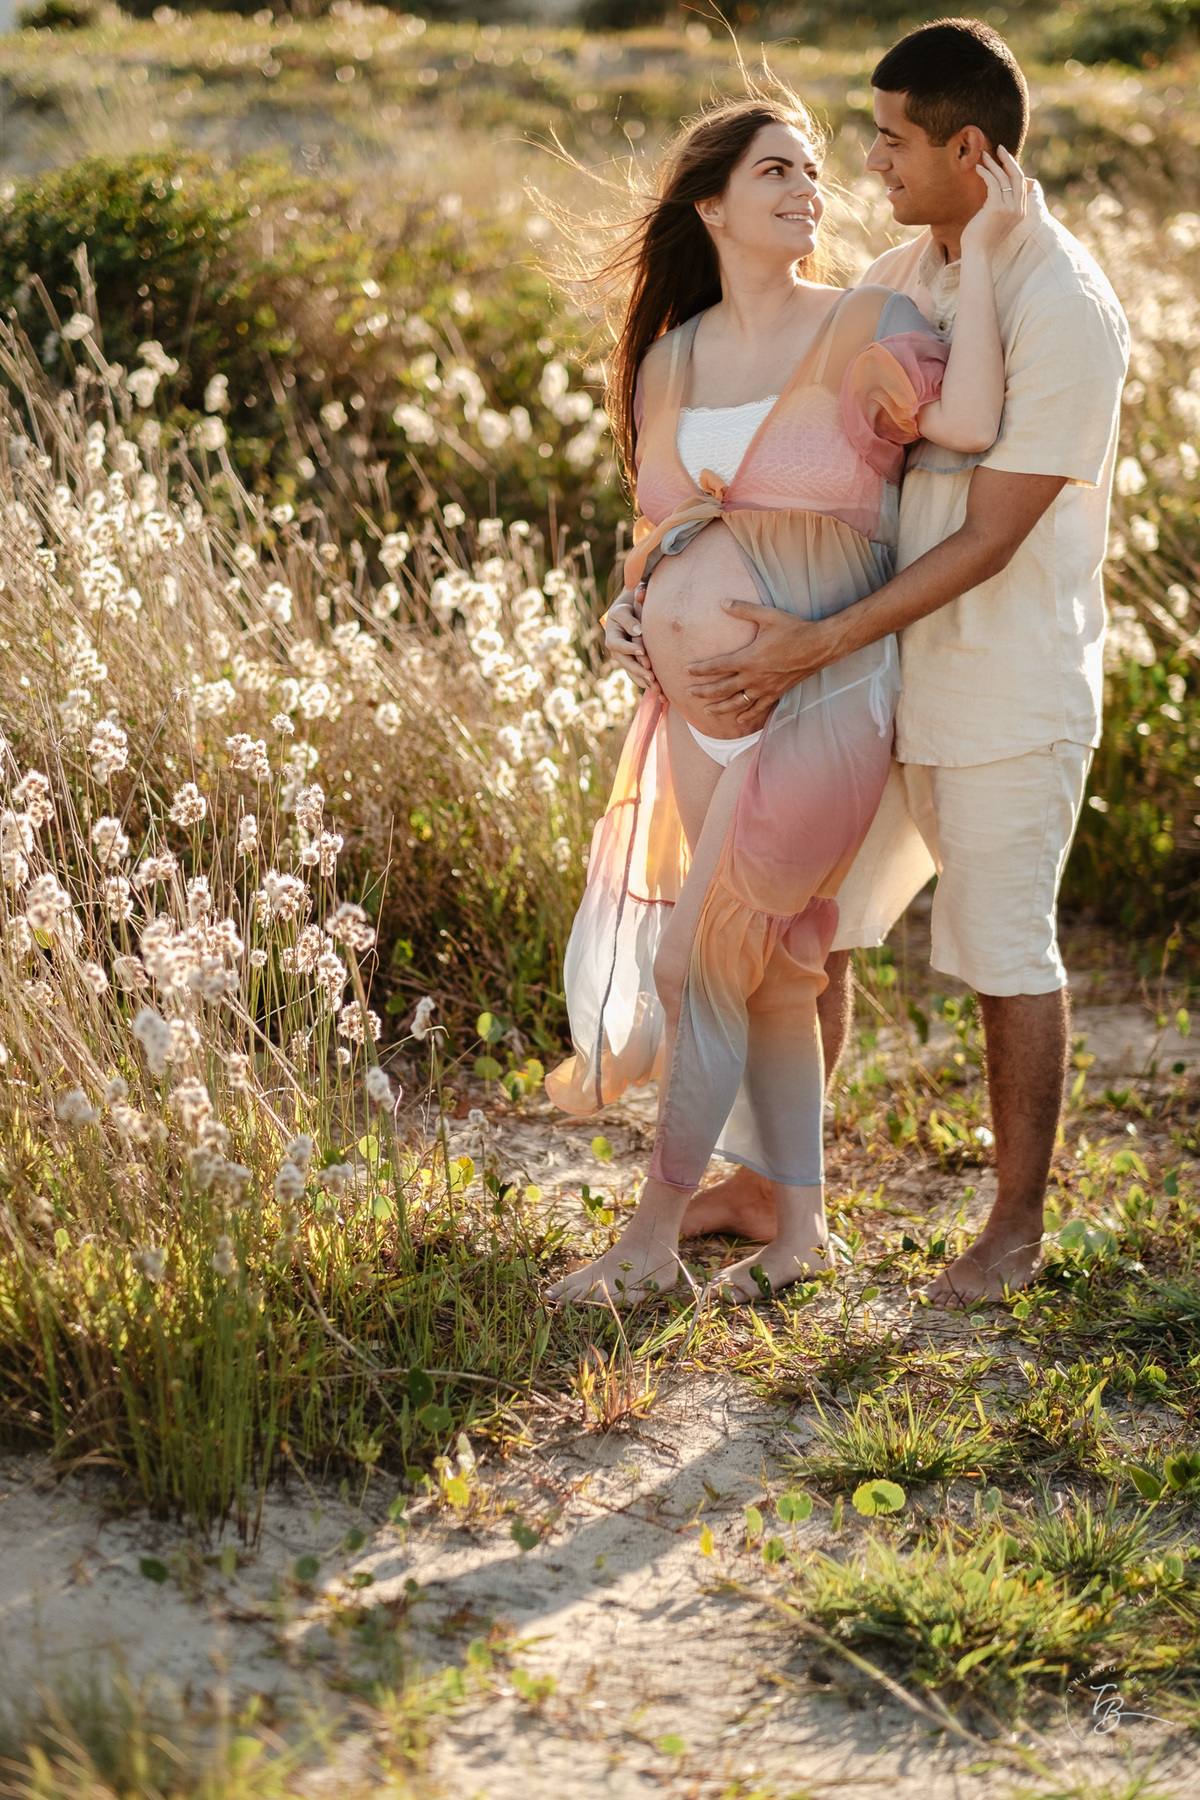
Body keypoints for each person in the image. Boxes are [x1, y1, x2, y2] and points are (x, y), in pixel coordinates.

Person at [614, 20, 1131, 1310]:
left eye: (891, 140)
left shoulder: (1061, 304)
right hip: (873, 677)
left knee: (1003, 950)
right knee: (812, 937)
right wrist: (650, 598)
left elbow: (992, 535)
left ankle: (1013, 1228)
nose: (866, 164)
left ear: (969, 148)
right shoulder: (907, 270)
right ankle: (773, 1194)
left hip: (1000, 681)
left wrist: (817, 642)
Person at [544, 77, 1023, 1305]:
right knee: (776, 969)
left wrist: (985, 258)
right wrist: (626, 611)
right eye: (777, 168)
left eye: (815, 167)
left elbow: (971, 421)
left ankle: (649, 1243)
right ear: (710, 205)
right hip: (692, 710)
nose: (810, 187)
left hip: (820, 688)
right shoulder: (670, 358)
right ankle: (800, 1232)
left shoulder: (867, 319)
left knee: (694, 958)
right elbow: (659, 531)